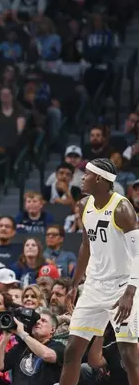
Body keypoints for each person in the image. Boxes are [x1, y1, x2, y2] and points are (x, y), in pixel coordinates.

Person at [59, 158, 139, 385]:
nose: (82, 178)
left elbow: (138, 255)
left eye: (86, 174)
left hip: (122, 286)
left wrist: (130, 293)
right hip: (94, 285)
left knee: (129, 356)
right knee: (72, 350)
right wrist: (74, 284)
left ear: (100, 179)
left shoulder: (122, 209)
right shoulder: (85, 205)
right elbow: (86, 244)